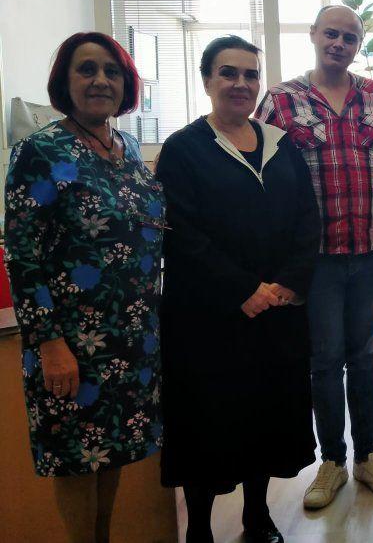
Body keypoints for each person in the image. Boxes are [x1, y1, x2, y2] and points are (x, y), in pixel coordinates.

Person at [156, 36, 320, 543]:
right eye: (228, 73)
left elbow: (307, 219)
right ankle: (200, 529)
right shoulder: (183, 150)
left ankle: (256, 515)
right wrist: (243, 289)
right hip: (210, 319)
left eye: (250, 74)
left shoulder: (281, 144)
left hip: (276, 314)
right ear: (207, 80)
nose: (241, 83)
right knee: (209, 421)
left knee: (265, 415)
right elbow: (182, 232)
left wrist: (287, 284)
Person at [4, 32, 163, 543]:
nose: (100, 81)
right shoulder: (41, 151)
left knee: (111, 450)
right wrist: (49, 344)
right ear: (65, 81)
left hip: (131, 336)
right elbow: (22, 256)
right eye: (86, 69)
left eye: (111, 71)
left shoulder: (128, 148)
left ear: (126, 83)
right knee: (76, 459)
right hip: (72, 342)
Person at [257, 5, 373, 509]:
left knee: (365, 355)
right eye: (331, 34)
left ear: (358, 44)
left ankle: (367, 456)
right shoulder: (282, 100)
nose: (339, 44)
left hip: (370, 249)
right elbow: (260, 169)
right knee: (324, 361)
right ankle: (333, 461)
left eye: (349, 37)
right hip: (315, 259)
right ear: (313, 35)